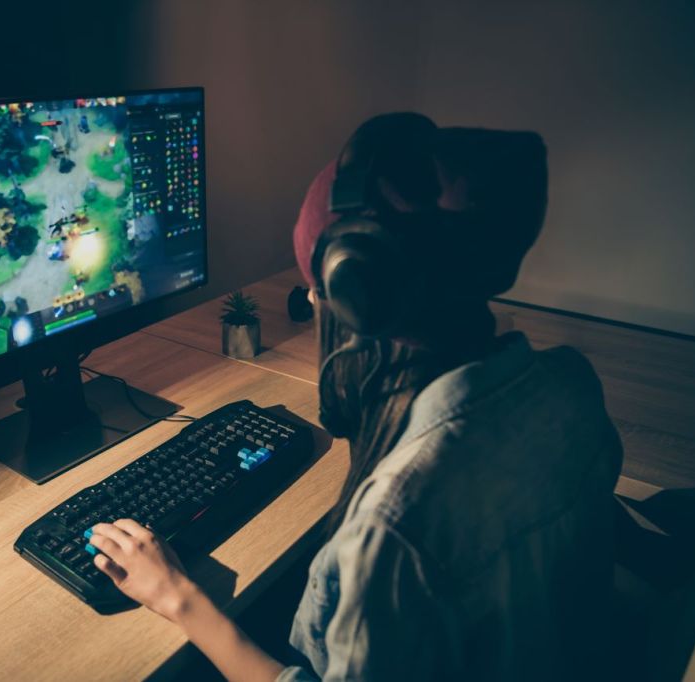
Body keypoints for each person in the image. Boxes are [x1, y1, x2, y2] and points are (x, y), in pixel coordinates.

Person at [84, 113, 624, 681]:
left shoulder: (393, 526)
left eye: (319, 295)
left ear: (355, 298)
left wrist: (178, 598)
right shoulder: (571, 384)